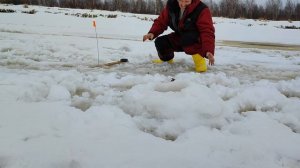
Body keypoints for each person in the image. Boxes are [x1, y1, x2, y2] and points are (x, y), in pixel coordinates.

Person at [143, 0, 215, 72]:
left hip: (196, 40)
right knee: (160, 42)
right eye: (181, 1)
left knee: (187, 38)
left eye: (186, 1)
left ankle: (200, 65)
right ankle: (167, 60)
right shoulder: (171, 6)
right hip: (180, 36)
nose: (183, 4)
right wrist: (152, 33)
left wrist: (208, 50)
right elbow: (161, 22)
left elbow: (207, 31)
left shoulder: (201, 9)